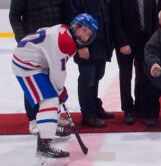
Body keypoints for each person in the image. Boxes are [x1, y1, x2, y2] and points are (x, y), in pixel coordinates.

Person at [12, 13, 98, 158]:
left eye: (89, 34)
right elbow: (58, 73)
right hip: (27, 65)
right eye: (84, 30)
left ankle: (50, 126)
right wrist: (60, 90)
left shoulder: (65, 31)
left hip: (34, 60)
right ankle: (44, 144)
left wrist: (59, 90)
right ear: (75, 26)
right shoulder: (66, 42)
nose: (85, 36)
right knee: (50, 100)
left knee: (53, 97)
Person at [9, 0, 68, 135]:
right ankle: (33, 118)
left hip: (55, 46)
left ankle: (52, 116)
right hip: (34, 48)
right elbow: (14, 16)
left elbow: (63, 13)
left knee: (53, 81)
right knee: (33, 82)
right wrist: (23, 40)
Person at [66, 0, 114, 128]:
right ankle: (88, 115)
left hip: (102, 45)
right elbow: (71, 22)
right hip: (86, 48)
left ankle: (95, 107)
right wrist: (80, 46)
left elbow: (109, 18)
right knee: (87, 80)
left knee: (97, 78)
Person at [110, 0, 158, 125]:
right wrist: (122, 43)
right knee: (126, 76)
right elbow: (115, 20)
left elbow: (153, 16)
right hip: (126, 43)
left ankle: (140, 106)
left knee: (143, 76)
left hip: (146, 41)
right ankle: (128, 109)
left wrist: (154, 41)